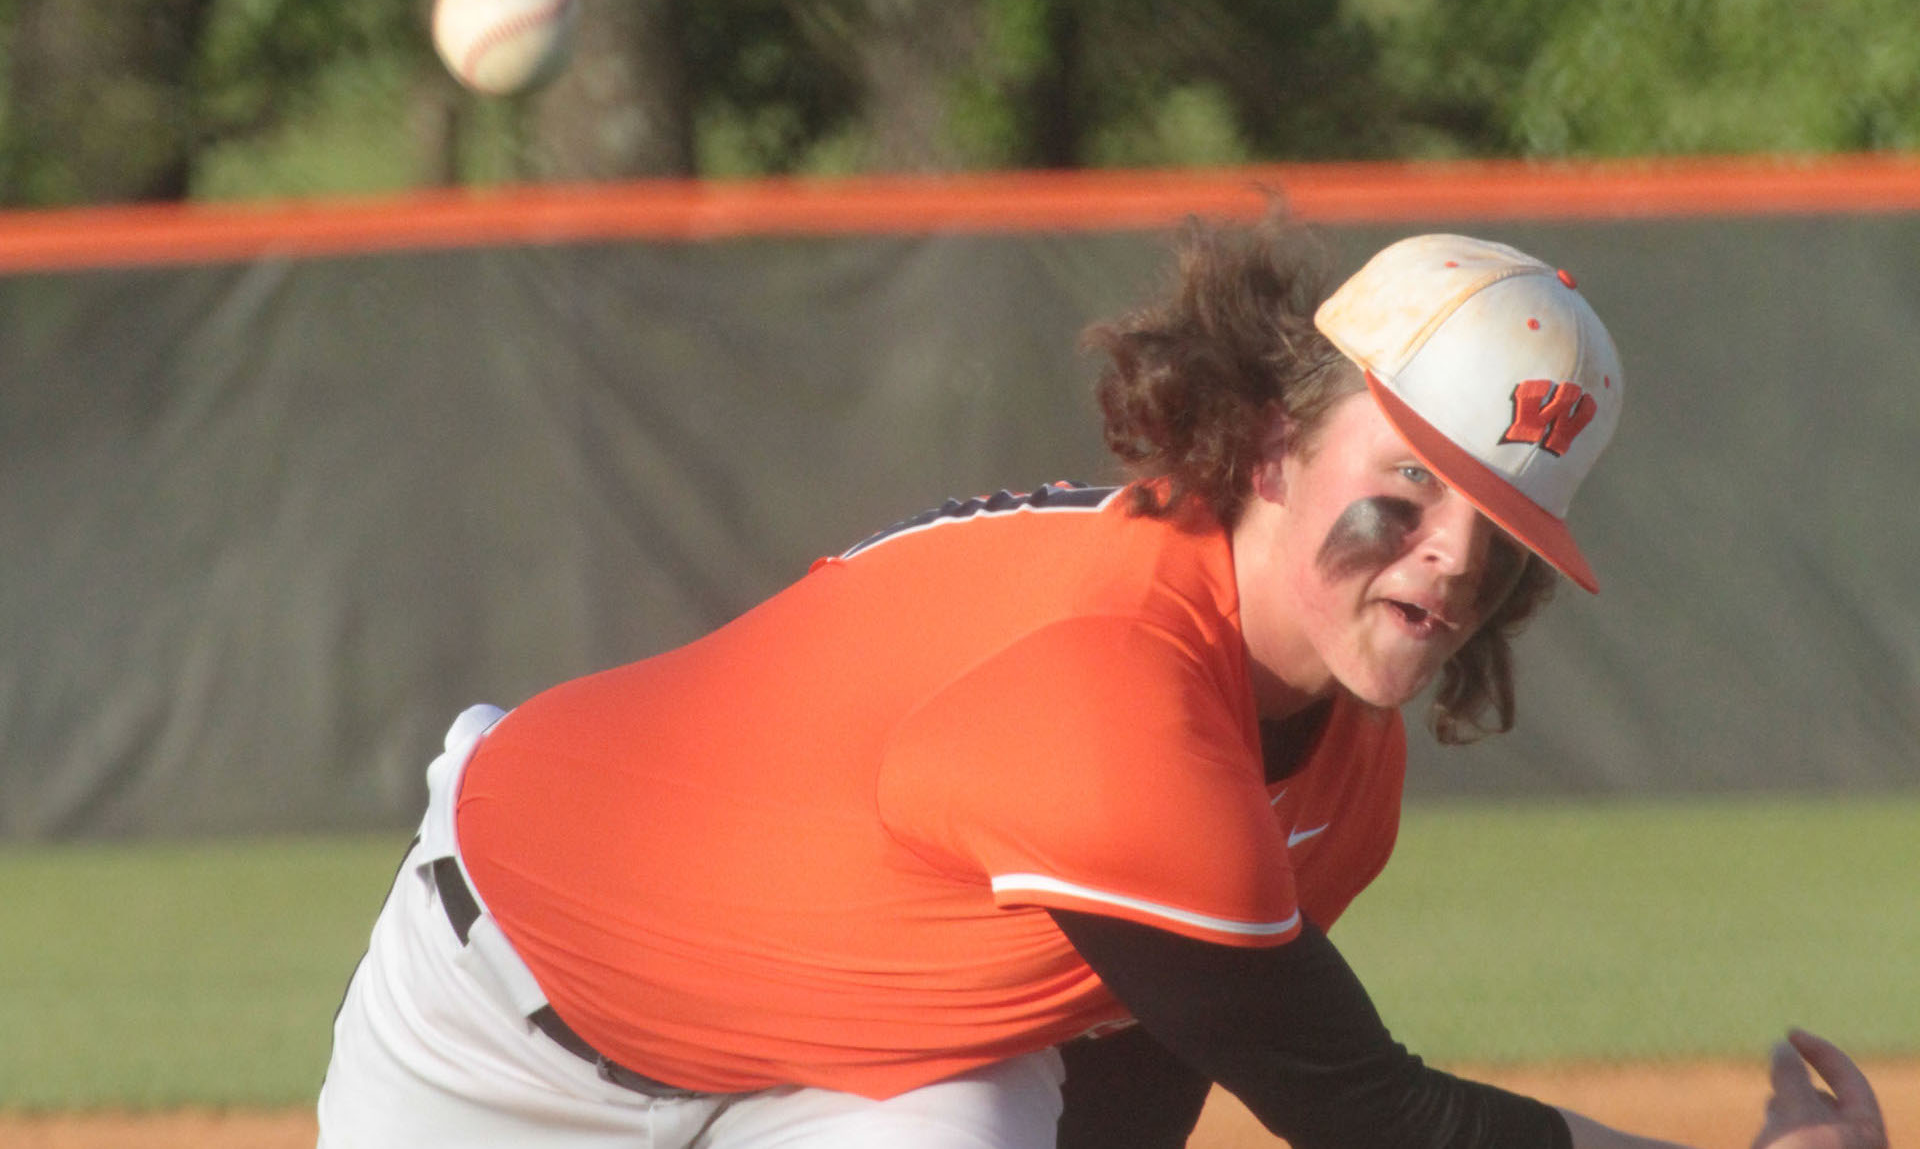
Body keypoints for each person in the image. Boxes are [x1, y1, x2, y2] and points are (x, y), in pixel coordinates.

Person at [316, 217, 1888, 1149]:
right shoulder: (1116, 692)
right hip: (500, 1034)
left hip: (865, 1080)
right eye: (1406, 488)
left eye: (1507, 531)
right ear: (1274, 438)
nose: (1454, 563)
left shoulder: (1342, 774)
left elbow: (1133, 1081)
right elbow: (1368, 1119)